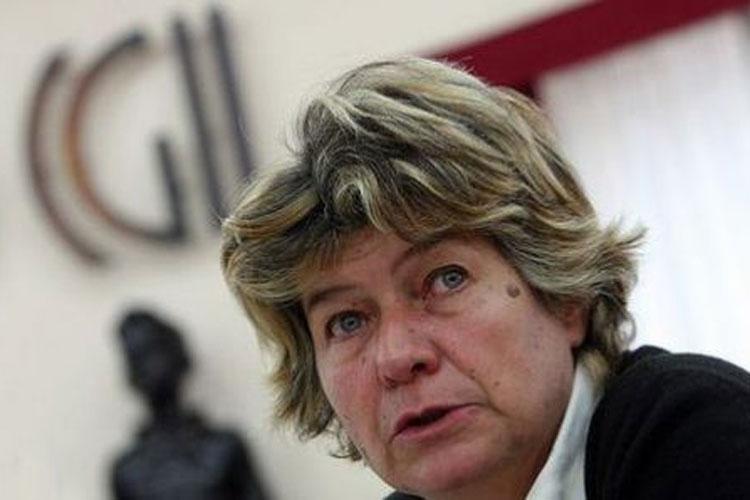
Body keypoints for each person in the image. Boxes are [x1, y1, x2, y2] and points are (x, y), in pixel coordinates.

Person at [220, 58, 750, 499]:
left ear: (564, 295)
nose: (397, 358)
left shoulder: (697, 434)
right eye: (347, 322)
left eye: (445, 279)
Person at [111, 309, 271, 500]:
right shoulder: (128, 471)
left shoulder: (224, 448)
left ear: (179, 356)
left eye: (155, 351)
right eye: (138, 357)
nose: (149, 366)